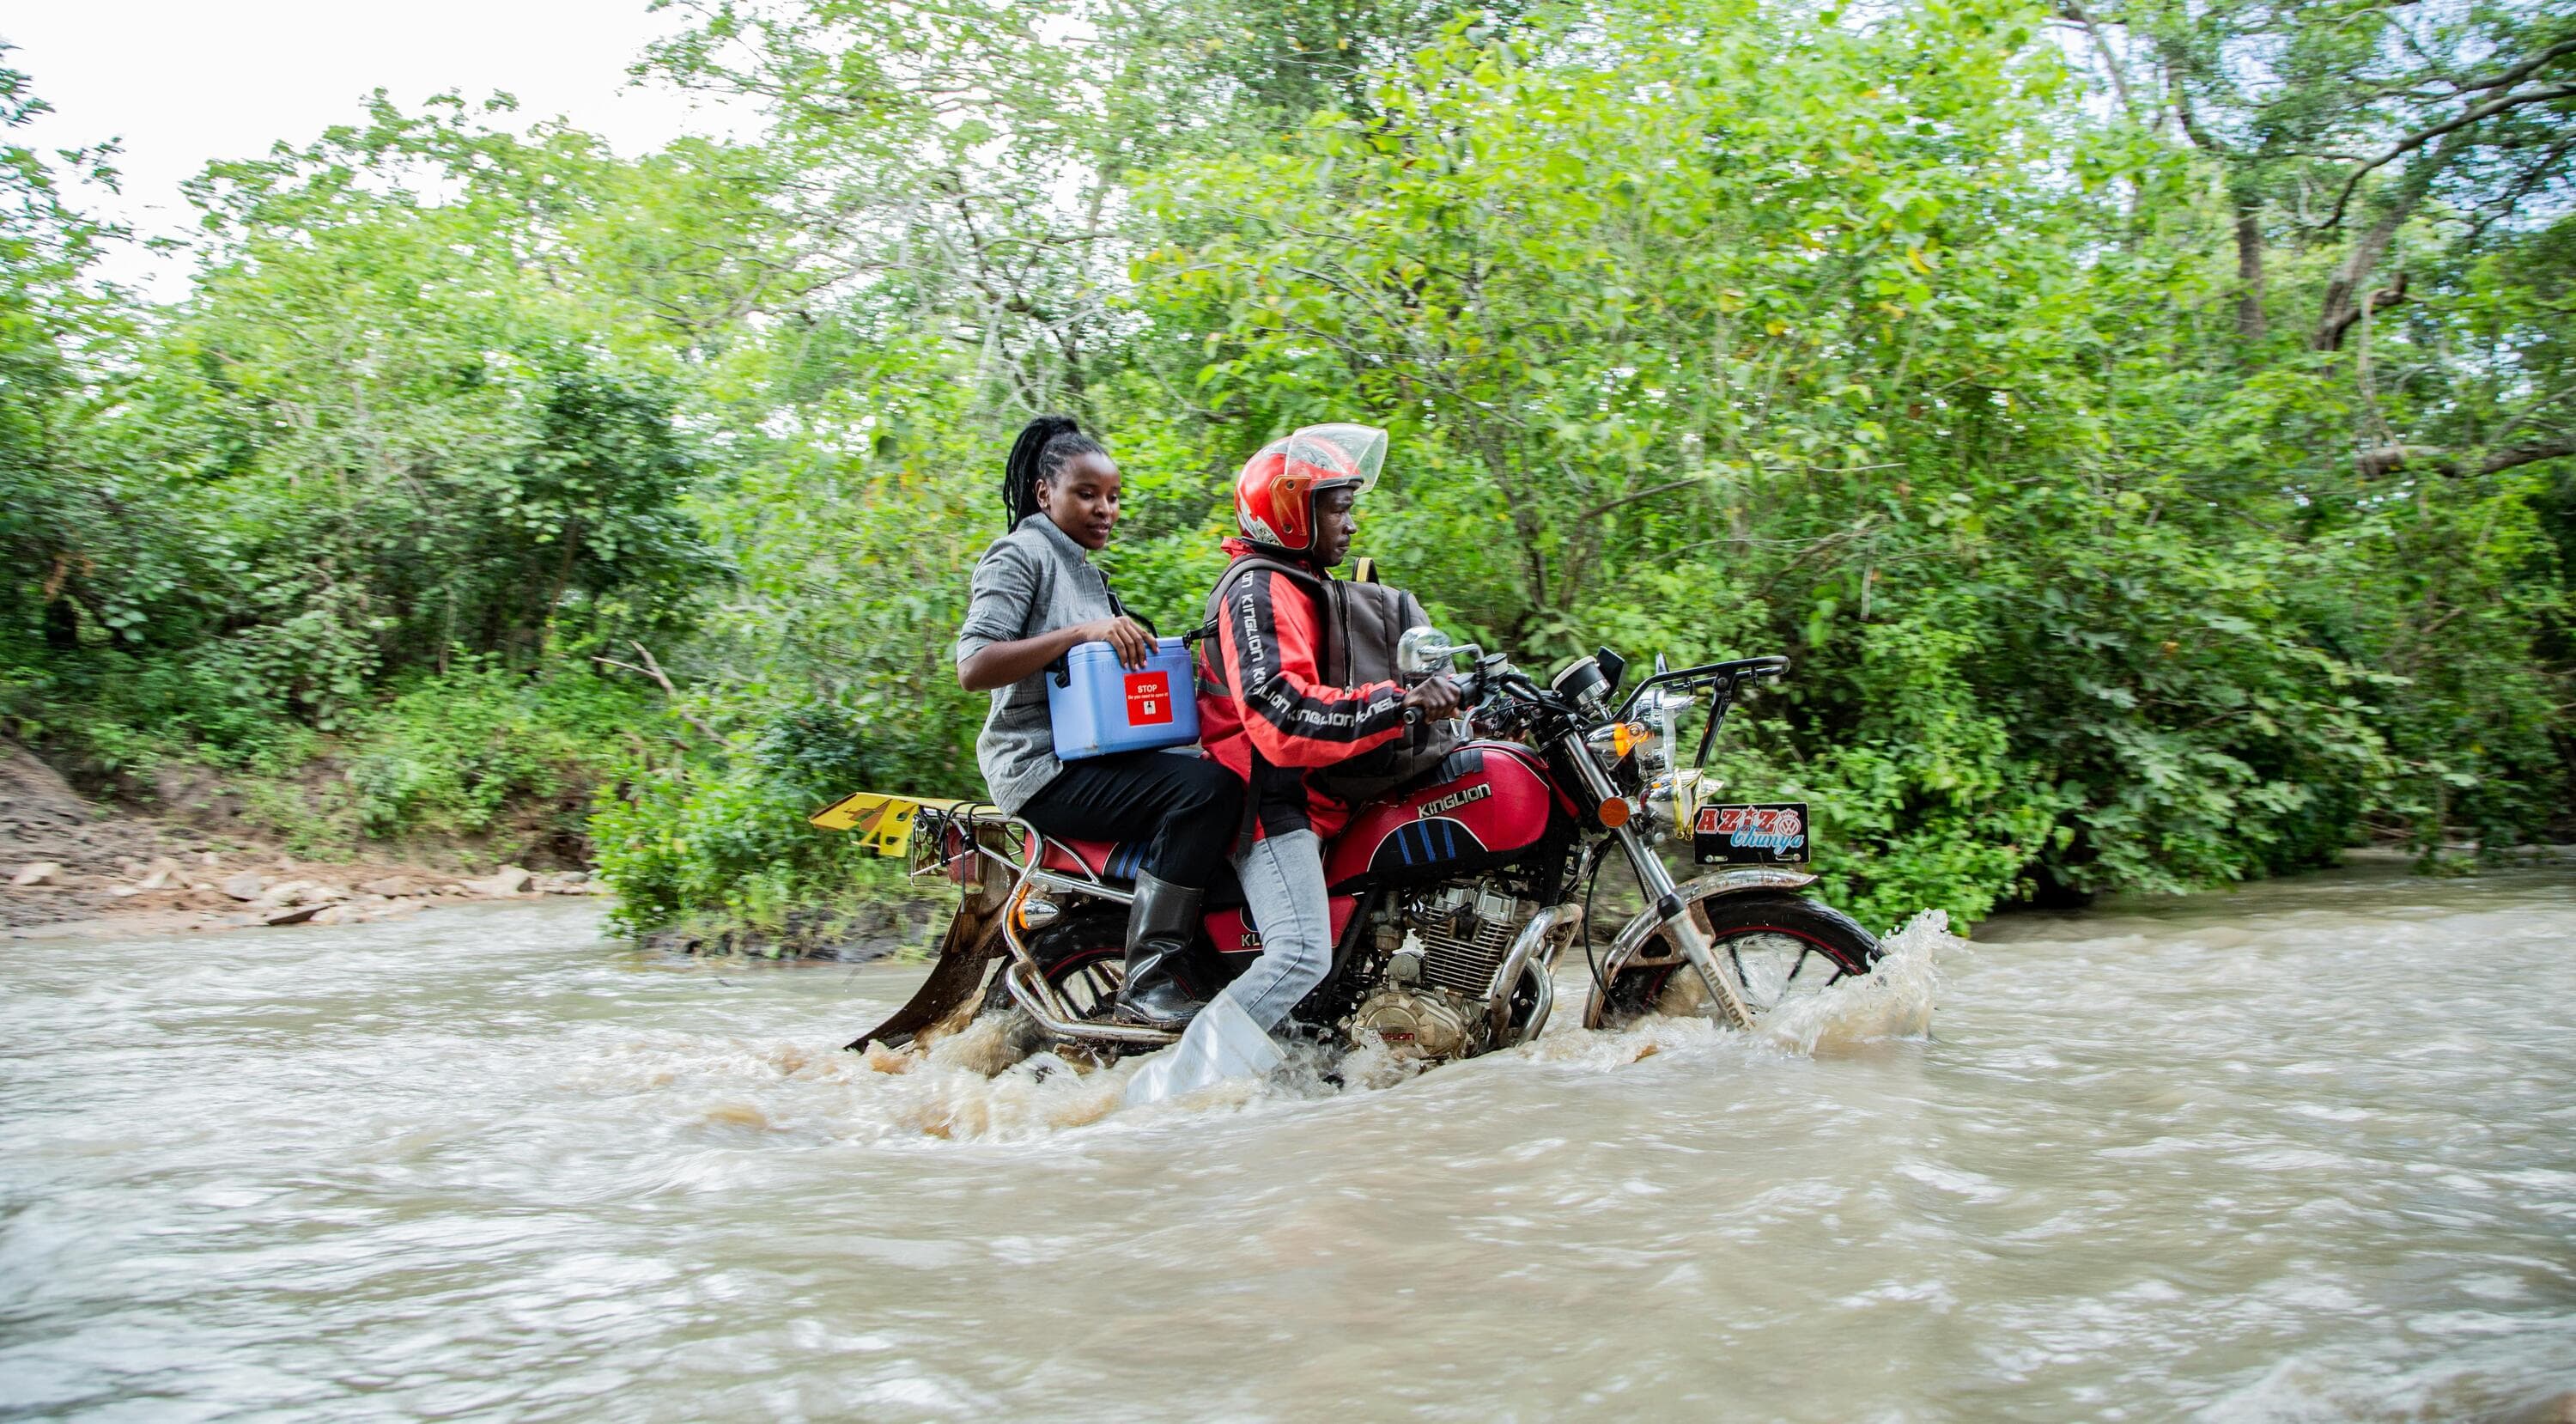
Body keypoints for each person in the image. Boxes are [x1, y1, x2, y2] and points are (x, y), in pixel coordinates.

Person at [955, 415, 1244, 1029]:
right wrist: (1083, 632)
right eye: (1086, 494)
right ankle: (1148, 977)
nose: (1104, 509)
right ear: (1044, 494)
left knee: (1229, 772)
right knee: (1207, 792)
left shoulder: (1085, 568)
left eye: (1113, 497)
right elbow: (975, 665)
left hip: (1094, 755)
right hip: (1041, 768)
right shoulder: (1021, 553)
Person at [1191, 423, 1462, 1039]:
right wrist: (1403, 704)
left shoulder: (1302, 582)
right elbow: (1280, 715)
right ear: (1290, 513)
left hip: (1320, 792)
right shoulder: (1254, 589)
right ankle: (1177, 1091)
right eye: (1338, 508)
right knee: (1301, 954)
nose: (1352, 523)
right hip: (1271, 802)